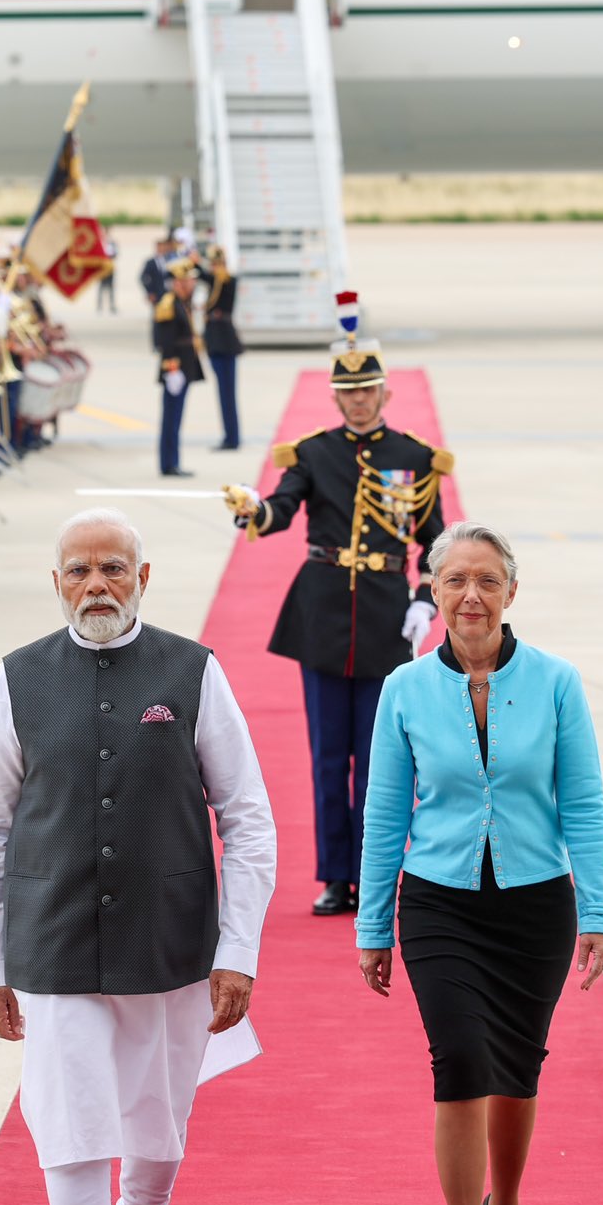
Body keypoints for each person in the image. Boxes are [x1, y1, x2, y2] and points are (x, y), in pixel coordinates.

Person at [0, 508, 276, 1205]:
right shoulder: (18, 679)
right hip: (53, 938)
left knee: (156, 1118)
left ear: (144, 579)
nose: (94, 585)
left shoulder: (192, 671)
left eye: (112, 569)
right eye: (77, 571)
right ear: (55, 582)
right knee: (68, 1118)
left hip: (169, 939)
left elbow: (247, 816)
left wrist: (238, 948)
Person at [356, 521, 603, 1205]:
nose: (472, 596)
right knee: (461, 1058)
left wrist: (599, 910)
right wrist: (373, 923)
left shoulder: (556, 682)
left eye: (488, 581)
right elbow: (386, 812)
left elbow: (582, 801)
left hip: (537, 902)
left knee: (518, 1066)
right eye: (456, 581)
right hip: (439, 900)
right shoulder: (404, 689)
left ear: (511, 591)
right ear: (433, 590)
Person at [225, 295, 450, 914]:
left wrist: (424, 601)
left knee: (383, 759)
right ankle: (335, 876)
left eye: (369, 391)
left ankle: (378, 875)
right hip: (322, 615)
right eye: (349, 393)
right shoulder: (314, 453)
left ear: (384, 394)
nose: (359, 401)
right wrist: (253, 507)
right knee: (328, 755)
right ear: (335, 397)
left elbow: (436, 543)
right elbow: (280, 510)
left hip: (384, 616)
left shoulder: (413, 459)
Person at [153, 257, 206, 478]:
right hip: (176, 368)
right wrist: (173, 370)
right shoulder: (169, 305)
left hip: (184, 366)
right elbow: (165, 342)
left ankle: (171, 461)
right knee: (171, 417)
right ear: (178, 283)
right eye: (187, 281)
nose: (191, 285)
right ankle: (169, 463)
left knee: (175, 417)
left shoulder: (181, 303)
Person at [196, 244, 242, 451]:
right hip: (216, 341)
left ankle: (232, 437)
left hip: (224, 340)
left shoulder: (227, 280)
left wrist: (201, 264)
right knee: (224, 393)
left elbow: (213, 279)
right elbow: (204, 276)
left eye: (216, 264)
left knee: (227, 393)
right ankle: (230, 435)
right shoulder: (216, 280)